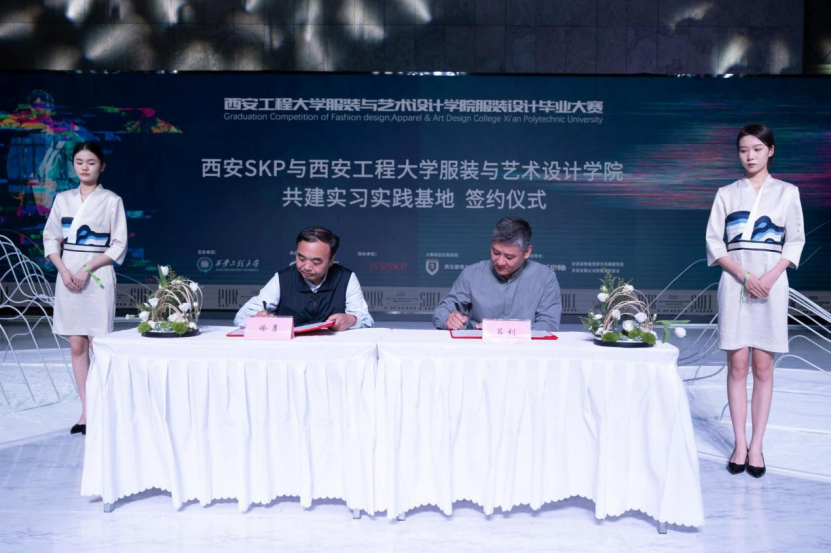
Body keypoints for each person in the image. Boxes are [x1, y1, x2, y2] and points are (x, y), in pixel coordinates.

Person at [705, 123, 805, 478]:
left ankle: (757, 445)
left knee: (763, 368)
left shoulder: (787, 192)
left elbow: (795, 240)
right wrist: (745, 276)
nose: (750, 156)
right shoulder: (726, 193)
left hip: (772, 285)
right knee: (737, 367)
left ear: (770, 151)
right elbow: (714, 242)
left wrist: (770, 277)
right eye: (744, 150)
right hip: (735, 283)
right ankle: (739, 444)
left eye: (757, 149)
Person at [43, 141, 128, 436]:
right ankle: (86, 411)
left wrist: (87, 268)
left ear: (101, 166)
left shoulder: (111, 200)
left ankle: (104, 409)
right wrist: (64, 270)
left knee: (98, 344)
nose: (84, 167)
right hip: (68, 278)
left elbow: (118, 244)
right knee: (77, 345)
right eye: (79, 162)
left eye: (91, 162)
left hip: (97, 277)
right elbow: (51, 238)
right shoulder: (63, 199)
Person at [432, 216, 561, 332]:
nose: (500, 262)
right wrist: (449, 319)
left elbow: (549, 325)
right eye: (496, 252)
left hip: (526, 348)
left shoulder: (545, 278)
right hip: (477, 346)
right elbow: (442, 310)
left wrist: (502, 329)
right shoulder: (472, 274)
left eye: (509, 257)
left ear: (527, 252)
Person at [234, 226, 373, 330]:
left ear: (331, 260)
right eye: (301, 258)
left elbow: (367, 321)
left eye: (316, 262)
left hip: (332, 350)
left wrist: (350, 320)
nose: (306, 267)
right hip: (289, 349)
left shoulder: (346, 278)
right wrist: (257, 319)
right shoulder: (283, 279)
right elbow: (240, 318)